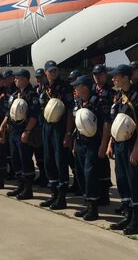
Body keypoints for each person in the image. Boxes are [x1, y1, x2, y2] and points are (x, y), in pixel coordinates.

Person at [107, 64, 138, 235]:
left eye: (116, 76)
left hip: (134, 145)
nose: (113, 79)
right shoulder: (119, 96)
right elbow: (116, 122)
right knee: (122, 180)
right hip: (119, 144)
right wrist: (110, 143)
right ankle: (127, 216)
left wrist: (136, 149)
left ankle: (136, 221)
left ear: (126, 77)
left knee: (136, 182)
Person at [71, 75, 110, 221]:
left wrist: (103, 144)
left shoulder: (99, 102)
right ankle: (87, 204)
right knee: (81, 174)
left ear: (85, 87)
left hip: (93, 144)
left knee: (90, 175)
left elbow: (106, 123)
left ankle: (93, 208)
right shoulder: (79, 101)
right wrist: (75, 143)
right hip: (80, 143)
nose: (75, 89)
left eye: (77, 86)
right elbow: (78, 125)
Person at [38, 60, 74, 210]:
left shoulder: (64, 87)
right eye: (50, 71)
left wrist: (67, 133)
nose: (53, 73)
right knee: (48, 160)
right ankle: (53, 194)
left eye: (55, 71)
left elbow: (70, 112)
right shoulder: (44, 87)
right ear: (45, 72)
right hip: (47, 127)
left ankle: (62, 197)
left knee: (60, 162)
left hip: (60, 128)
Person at [0, 69, 40, 200]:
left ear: (26, 79)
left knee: (25, 159)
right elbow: (8, 112)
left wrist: (27, 131)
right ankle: (20, 185)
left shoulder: (31, 95)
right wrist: (3, 125)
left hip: (23, 132)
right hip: (13, 131)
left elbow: (34, 116)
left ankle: (28, 189)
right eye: (15, 78)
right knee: (15, 159)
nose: (15, 79)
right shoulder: (15, 94)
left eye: (18, 77)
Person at [92, 64, 114, 206]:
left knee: (103, 164)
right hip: (91, 133)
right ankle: (96, 193)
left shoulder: (110, 93)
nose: (97, 77)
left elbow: (109, 120)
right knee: (94, 165)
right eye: (95, 74)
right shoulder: (92, 90)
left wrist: (105, 142)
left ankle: (104, 195)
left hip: (103, 132)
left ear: (105, 75)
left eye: (100, 74)